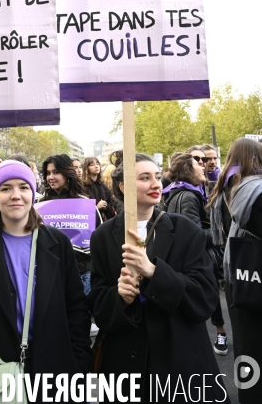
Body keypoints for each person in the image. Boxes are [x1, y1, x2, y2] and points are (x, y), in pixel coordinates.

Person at [0, 160, 92, 403]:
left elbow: (75, 308)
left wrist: (79, 362)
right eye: (6, 188)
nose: (16, 196)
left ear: (33, 192)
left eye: (23, 187)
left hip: (53, 371)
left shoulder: (58, 242)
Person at [88, 154, 228, 403]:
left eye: (156, 176)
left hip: (180, 363)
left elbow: (204, 298)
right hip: (125, 369)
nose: (156, 184)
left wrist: (154, 272)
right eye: (144, 178)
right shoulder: (102, 235)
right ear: (123, 187)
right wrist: (120, 297)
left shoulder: (186, 230)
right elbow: (98, 302)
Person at [209, 137, 262, 404]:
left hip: (237, 272)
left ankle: (248, 395)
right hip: (254, 273)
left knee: (245, 346)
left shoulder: (227, 185)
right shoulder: (255, 189)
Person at [163, 152, 228, 354]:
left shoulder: (180, 191)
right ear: (188, 170)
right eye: (197, 164)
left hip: (182, 259)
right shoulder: (190, 196)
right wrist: (220, 231)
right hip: (197, 259)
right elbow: (194, 234)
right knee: (206, 297)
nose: (203, 166)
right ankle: (219, 335)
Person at [41, 154, 96, 294]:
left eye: (56, 172)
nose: (51, 177)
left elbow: (97, 241)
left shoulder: (85, 204)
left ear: (67, 173)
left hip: (82, 274)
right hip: (49, 273)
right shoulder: (39, 205)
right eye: (48, 173)